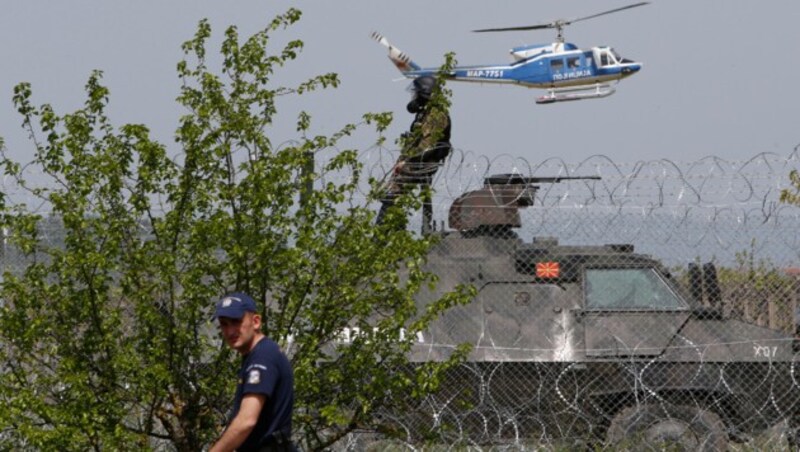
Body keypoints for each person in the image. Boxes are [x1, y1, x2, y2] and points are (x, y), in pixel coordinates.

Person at [210, 292, 296, 452]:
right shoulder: (257, 355)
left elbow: (246, 421)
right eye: (224, 324)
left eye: (236, 322)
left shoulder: (263, 357)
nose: (230, 331)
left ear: (256, 322)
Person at [376, 75, 452, 233]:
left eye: (416, 93)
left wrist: (406, 162)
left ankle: (380, 237)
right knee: (396, 197)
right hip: (416, 161)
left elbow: (427, 146)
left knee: (392, 197)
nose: (414, 96)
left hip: (422, 163)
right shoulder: (425, 113)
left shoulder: (436, 114)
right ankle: (397, 232)